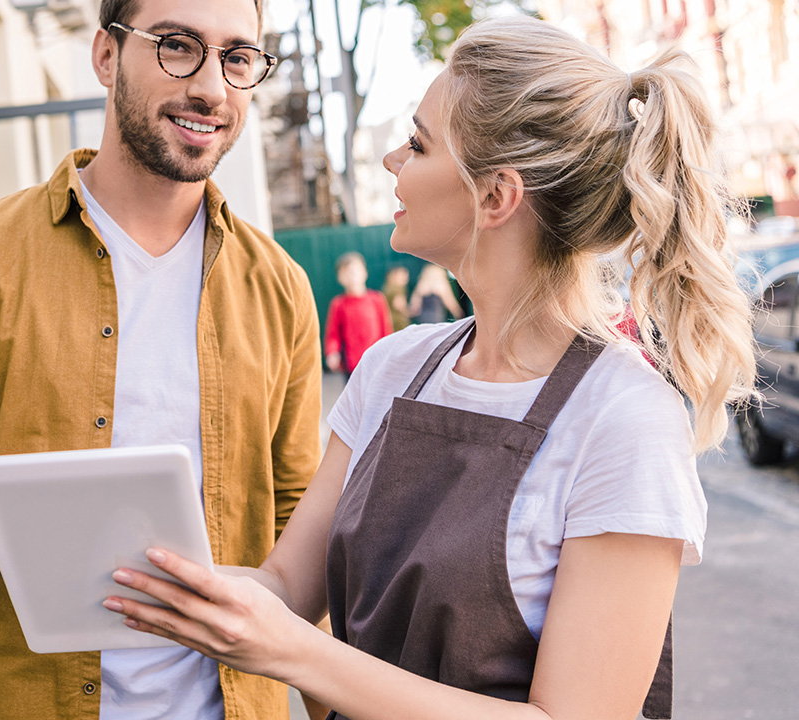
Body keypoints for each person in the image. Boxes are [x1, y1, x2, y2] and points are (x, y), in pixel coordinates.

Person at [103, 15, 755, 720]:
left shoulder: (624, 420)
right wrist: (129, 572)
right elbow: (287, 587)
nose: (392, 160)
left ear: (496, 196)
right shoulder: (391, 369)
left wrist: (292, 652)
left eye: (417, 143)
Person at [0, 0, 322, 717]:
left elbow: (296, 518)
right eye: (178, 46)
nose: (211, 86)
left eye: (237, 58)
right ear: (107, 55)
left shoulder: (280, 286)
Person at [323, 253, 393, 379]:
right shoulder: (338, 304)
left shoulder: (377, 299)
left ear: (364, 272)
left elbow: (386, 330)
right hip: (352, 366)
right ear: (339, 278)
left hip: (377, 362)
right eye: (345, 272)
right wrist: (332, 352)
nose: (351, 275)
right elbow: (333, 334)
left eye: (354, 270)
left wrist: (390, 352)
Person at [381, 264, 411, 332]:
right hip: (398, 322)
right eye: (402, 275)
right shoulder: (397, 289)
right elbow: (398, 305)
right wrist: (408, 312)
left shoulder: (387, 288)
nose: (406, 278)